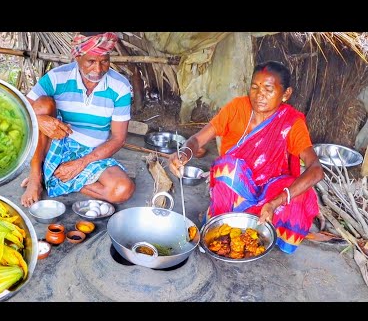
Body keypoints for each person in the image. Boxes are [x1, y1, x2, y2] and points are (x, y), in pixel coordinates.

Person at [168, 60, 324, 254]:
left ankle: (265, 228)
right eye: (255, 87)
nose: (260, 95)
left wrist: (275, 202)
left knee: (303, 193)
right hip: (237, 187)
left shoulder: (291, 122)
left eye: (268, 89)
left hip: (271, 190)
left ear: (286, 94)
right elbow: (197, 140)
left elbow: (316, 170)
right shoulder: (237, 108)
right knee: (228, 167)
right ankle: (224, 224)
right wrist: (183, 153)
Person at [20, 32, 135, 208]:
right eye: (91, 61)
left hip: (93, 153)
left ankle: (51, 178)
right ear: (78, 56)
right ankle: (36, 176)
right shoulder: (56, 77)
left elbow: (118, 138)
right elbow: (21, 111)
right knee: (42, 106)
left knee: (122, 190)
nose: (98, 69)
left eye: (104, 61)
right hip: (55, 145)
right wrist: (39, 119)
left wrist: (81, 163)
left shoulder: (120, 87)